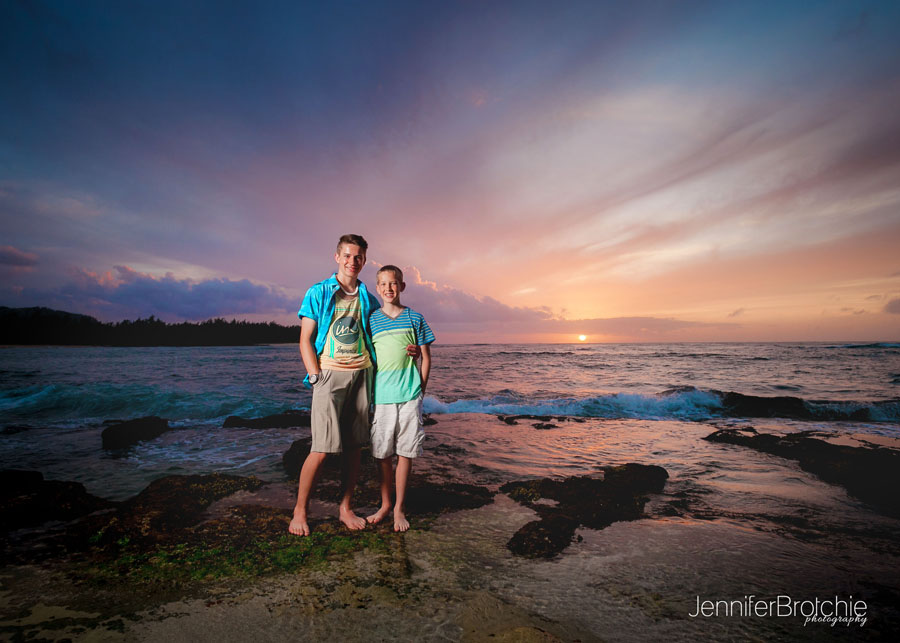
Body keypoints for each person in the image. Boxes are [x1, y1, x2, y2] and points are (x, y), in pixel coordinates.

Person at [288, 234, 418, 536]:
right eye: (347, 255)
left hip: (362, 375)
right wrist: (314, 374)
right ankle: (300, 510)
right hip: (329, 375)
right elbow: (305, 339)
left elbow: (386, 331)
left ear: (364, 260)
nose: (352, 262)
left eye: (358, 257)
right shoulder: (318, 292)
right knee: (320, 449)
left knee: (354, 447)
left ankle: (345, 508)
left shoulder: (369, 299)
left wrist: (410, 347)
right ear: (337, 257)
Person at [366, 265, 434, 532]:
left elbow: (426, 358)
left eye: (393, 283)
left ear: (402, 286)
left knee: (406, 453)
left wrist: (421, 390)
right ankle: (384, 505)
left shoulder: (415, 318)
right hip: (381, 397)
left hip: (409, 396)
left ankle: (399, 508)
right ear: (377, 287)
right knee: (382, 454)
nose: (388, 288)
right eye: (383, 284)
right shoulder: (371, 320)